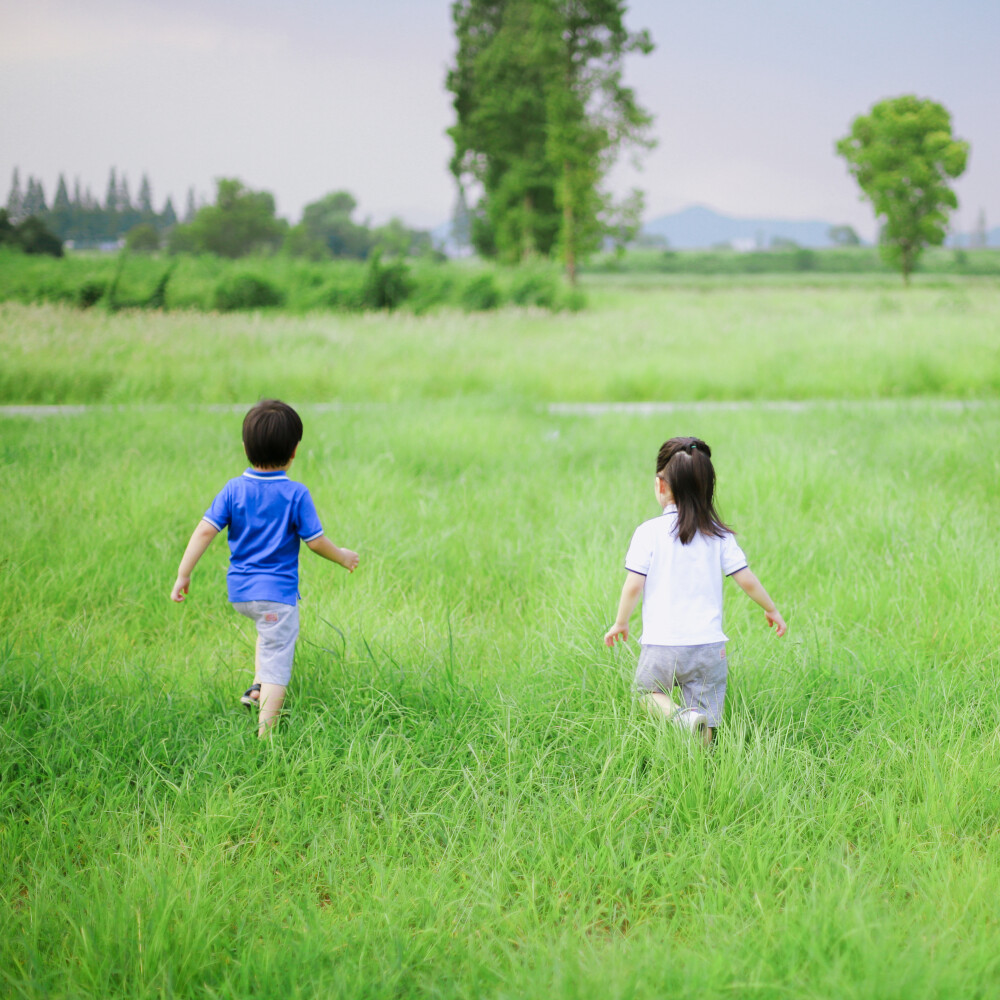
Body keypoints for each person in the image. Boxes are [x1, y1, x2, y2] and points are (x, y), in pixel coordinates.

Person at [170, 399, 359, 737]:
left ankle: (256, 688)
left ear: (245, 447)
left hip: (242, 593)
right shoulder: (296, 494)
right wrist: (343, 556)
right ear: (294, 451)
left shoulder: (233, 489)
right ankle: (266, 735)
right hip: (276, 596)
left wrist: (184, 574)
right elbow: (315, 542)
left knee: (266, 638)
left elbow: (204, 531)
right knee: (277, 661)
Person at [604, 437, 786, 744]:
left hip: (662, 644)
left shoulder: (648, 532)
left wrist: (621, 622)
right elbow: (747, 580)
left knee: (647, 693)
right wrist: (771, 609)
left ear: (661, 486)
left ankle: (682, 720)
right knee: (706, 715)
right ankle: (703, 763)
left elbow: (634, 584)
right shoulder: (718, 536)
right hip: (708, 646)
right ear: (706, 488)